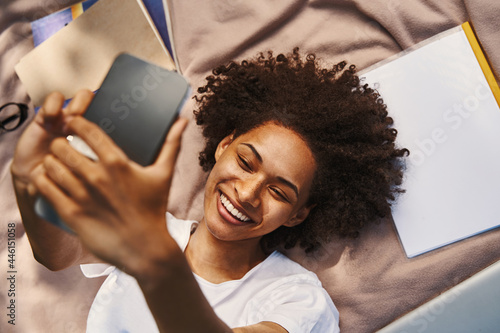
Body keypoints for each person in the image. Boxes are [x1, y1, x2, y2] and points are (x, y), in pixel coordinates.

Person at [11, 48, 407, 332]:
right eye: (246, 162)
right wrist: (27, 181)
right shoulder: (152, 231)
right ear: (223, 146)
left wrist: (154, 257)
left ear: (300, 213)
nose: (248, 194)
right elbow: (55, 255)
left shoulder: (297, 299)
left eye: (280, 192)